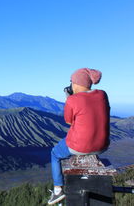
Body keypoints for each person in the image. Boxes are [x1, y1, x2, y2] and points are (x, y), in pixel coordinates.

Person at [47, 68, 110, 205]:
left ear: (75, 83)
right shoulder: (103, 94)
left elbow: (69, 121)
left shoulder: (73, 99)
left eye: (71, 82)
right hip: (102, 146)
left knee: (54, 154)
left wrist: (69, 99)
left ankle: (58, 190)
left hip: (79, 146)